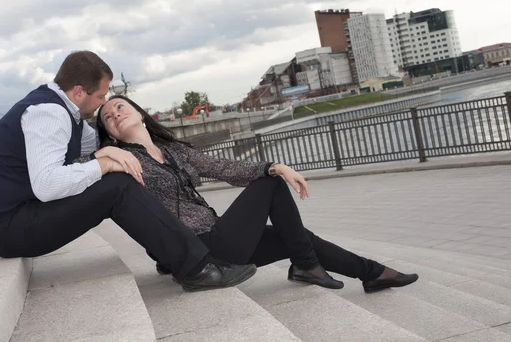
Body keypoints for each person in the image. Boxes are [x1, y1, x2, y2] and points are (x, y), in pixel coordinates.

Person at [0, 50, 257, 292]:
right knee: (117, 186)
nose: (102, 105)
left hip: (26, 215)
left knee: (117, 180)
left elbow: (101, 141)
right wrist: (104, 163)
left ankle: (183, 255)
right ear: (78, 92)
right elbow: (47, 184)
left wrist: (120, 144)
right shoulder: (49, 114)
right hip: (11, 230)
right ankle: (197, 269)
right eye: (100, 97)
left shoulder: (68, 115)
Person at [94, 95, 419, 293]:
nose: (115, 115)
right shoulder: (118, 161)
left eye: (120, 107)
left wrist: (274, 164)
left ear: (138, 112)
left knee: (297, 235)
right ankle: (306, 266)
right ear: (109, 133)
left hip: (221, 239)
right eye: (108, 118)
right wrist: (99, 156)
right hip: (200, 250)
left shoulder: (173, 150)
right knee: (272, 184)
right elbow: (78, 171)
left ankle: (371, 273)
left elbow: (224, 168)